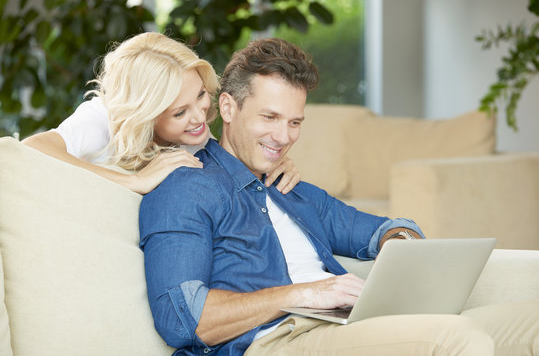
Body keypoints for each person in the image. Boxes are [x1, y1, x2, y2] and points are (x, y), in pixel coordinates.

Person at [139, 38, 497, 355]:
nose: (283, 137)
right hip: (271, 341)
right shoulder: (187, 186)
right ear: (229, 108)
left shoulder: (292, 190)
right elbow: (182, 319)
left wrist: (402, 245)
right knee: (459, 337)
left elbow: (384, 229)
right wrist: (305, 294)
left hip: (342, 326)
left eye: (295, 122)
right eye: (270, 117)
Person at [21, 32, 300, 195]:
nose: (200, 118)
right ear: (147, 115)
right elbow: (32, 149)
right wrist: (134, 181)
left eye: (201, 95)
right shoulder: (102, 118)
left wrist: (269, 164)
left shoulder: (196, 140)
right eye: (180, 112)